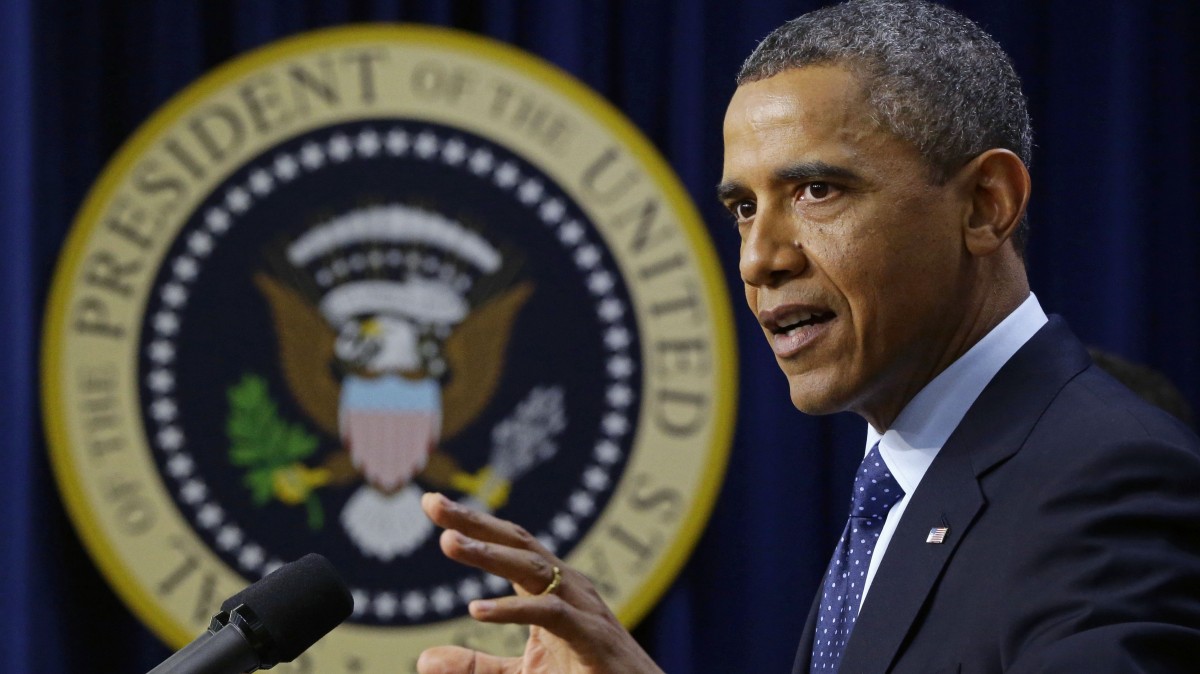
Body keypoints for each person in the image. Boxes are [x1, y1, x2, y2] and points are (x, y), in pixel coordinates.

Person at [417, 1, 1200, 672]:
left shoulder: (1111, 479)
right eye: (743, 209)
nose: (760, 259)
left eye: (817, 191)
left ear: (986, 205)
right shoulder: (900, 484)